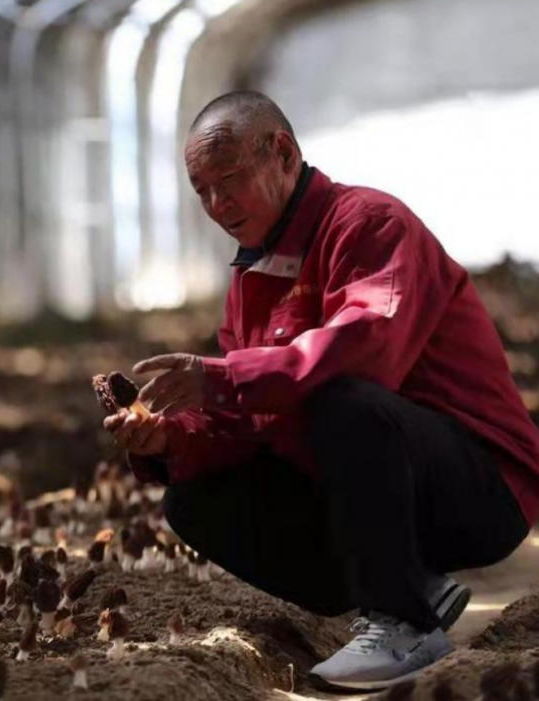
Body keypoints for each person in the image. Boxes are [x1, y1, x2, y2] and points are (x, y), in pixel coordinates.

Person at [105, 91, 539, 690]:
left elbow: (364, 350)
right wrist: (166, 438)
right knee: (192, 497)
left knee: (340, 398)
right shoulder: (252, 276)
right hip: (385, 491)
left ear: (283, 153)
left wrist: (224, 377)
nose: (216, 205)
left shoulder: (370, 224)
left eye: (229, 180)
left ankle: (403, 620)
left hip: (482, 489)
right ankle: (413, 585)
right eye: (201, 190)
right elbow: (246, 419)